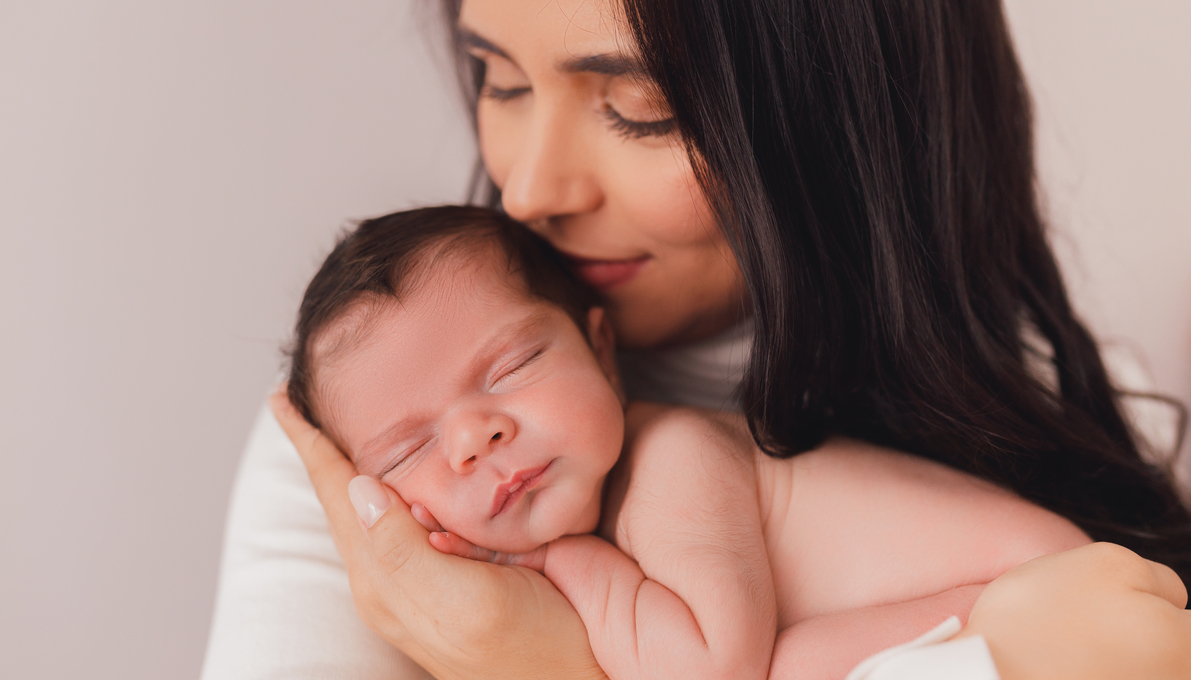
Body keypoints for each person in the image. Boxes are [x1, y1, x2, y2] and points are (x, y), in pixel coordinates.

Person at [201, 0, 1191, 678]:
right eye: (500, 81)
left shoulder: (1068, 417)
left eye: (640, 106)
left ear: (841, 97)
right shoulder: (371, 444)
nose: (529, 190)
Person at [286, 204, 1097, 680]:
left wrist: (572, 570)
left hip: (1049, 604)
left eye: (512, 367)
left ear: (601, 352)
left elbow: (713, 671)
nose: (474, 435)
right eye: (407, 453)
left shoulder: (674, 458)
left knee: (781, 671)